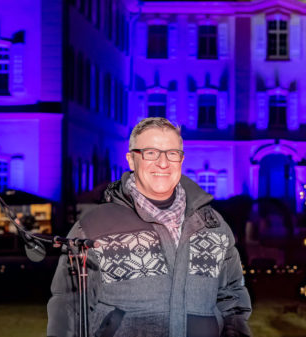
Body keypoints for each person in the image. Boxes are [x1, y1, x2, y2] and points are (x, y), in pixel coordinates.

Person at [47, 117, 252, 337]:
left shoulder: (214, 227)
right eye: (150, 153)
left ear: (181, 160)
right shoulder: (94, 227)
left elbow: (233, 301)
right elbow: (67, 307)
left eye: (172, 153)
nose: (163, 163)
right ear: (131, 160)